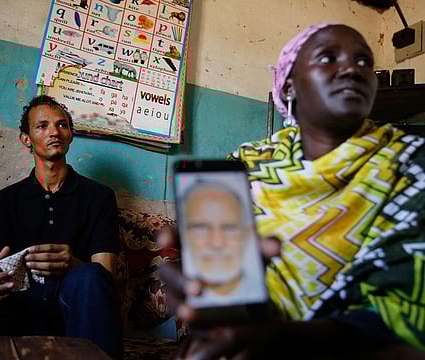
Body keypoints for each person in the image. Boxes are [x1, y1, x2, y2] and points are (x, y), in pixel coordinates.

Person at [159, 23, 425, 359]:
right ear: (289, 86)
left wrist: (297, 340)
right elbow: (226, 294)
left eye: (364, 63)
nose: (352, 70)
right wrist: (218, 315)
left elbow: (410, 302)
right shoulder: (246, 166)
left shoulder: (411, 160)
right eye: (328, 57)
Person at [0, 95, 123, 359]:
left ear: (71, 135)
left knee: (90, 276)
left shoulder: (99, 196)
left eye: (62, 125)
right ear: (26, 139)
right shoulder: (4, 201)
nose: (54, 131)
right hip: (18, 306)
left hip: (74, 306)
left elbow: (105, 277)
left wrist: (72, 264)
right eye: (42, 126)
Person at [181, 182, 265, 306]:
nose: (217, 243)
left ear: (247, 235)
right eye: (201, 228)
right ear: (185, 236)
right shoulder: (184, 295)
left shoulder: (263, 293)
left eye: (229, 228)